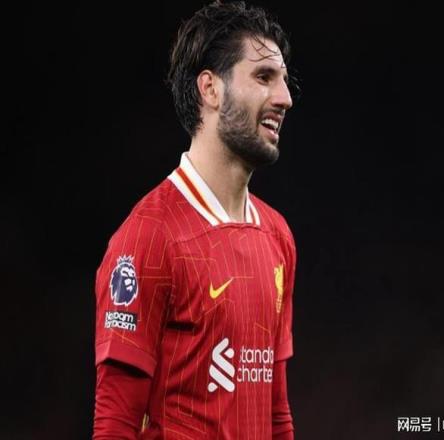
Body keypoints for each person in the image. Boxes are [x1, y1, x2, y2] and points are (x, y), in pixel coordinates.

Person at [93, 1, 297, 438]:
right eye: (264, 77)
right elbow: (115, 424)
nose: (285, 98)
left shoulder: (277, 236)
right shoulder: (148, 239)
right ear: (210, 89)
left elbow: (277, 415)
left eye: (283, 80)